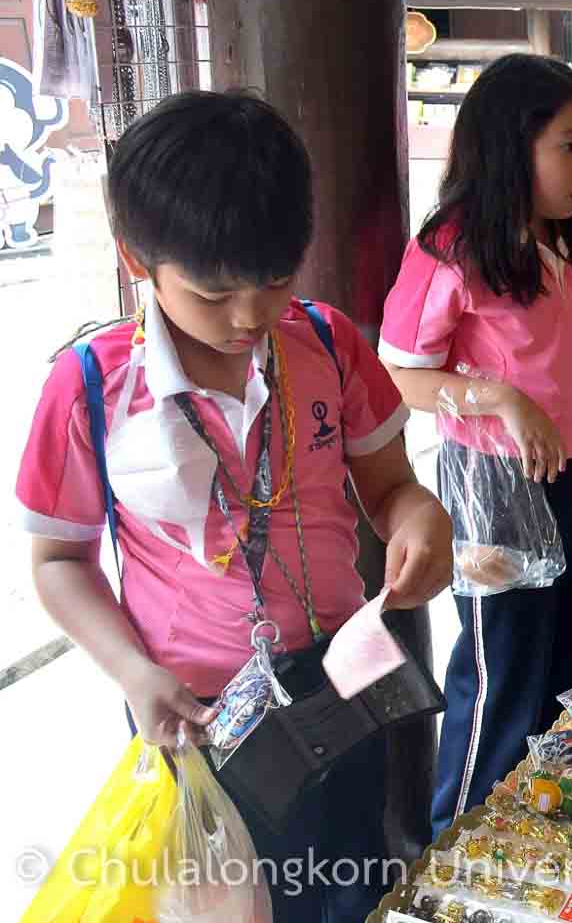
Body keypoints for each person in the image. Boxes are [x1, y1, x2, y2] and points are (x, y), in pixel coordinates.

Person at [16, 90, 454, 921]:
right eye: (213, 294)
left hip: (341, 682)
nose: (250, 316)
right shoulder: (90, 389)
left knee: (353, 885)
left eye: (276, 281)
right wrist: (133, 673)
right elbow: (58, 561)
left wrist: (419, 520)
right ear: (137, 259)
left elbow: (391, 488)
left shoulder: (326, 343)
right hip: (196, 714)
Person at [378, 55, 572, 838]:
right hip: (492, 489)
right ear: (512, 145)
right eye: (568, 146)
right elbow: (399, 375)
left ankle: (533, 837)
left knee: (567, 665)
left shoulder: (571, 241)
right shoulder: (451, 248)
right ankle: (459, 847)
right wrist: (500, 398)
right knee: (500, 677)